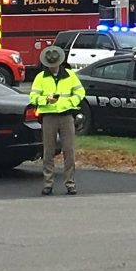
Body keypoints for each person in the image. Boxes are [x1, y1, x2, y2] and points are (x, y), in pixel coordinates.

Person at [30, 46, 85, 196]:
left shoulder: (70, 75)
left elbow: (80, 92)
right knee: (48, 152)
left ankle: (70, 184)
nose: (52, 66)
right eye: (50, 64)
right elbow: (33, 97)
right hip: (49, 116)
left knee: (69, 151)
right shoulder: (40, 77)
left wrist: (70, 103)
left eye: (54, 63)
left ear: (59, 62)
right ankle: (48, 184)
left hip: (66, 116)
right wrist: (45, 100)